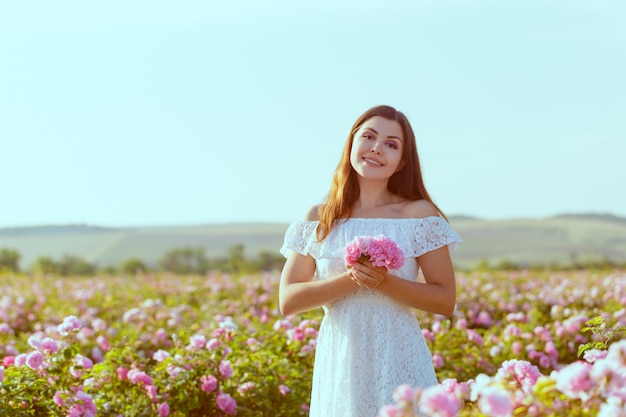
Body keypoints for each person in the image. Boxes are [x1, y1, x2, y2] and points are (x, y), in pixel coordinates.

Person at [279, 105, 462, 417]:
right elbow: (288, 300)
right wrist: (352, 279)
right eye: (369, 137)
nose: (377, 148)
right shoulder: (319, 218)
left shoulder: (419, 215)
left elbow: (445, 300)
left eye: (391, 144)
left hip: (399, 358)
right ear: (352, 143)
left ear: (402, 161)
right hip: (341, 364)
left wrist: (385, 282)